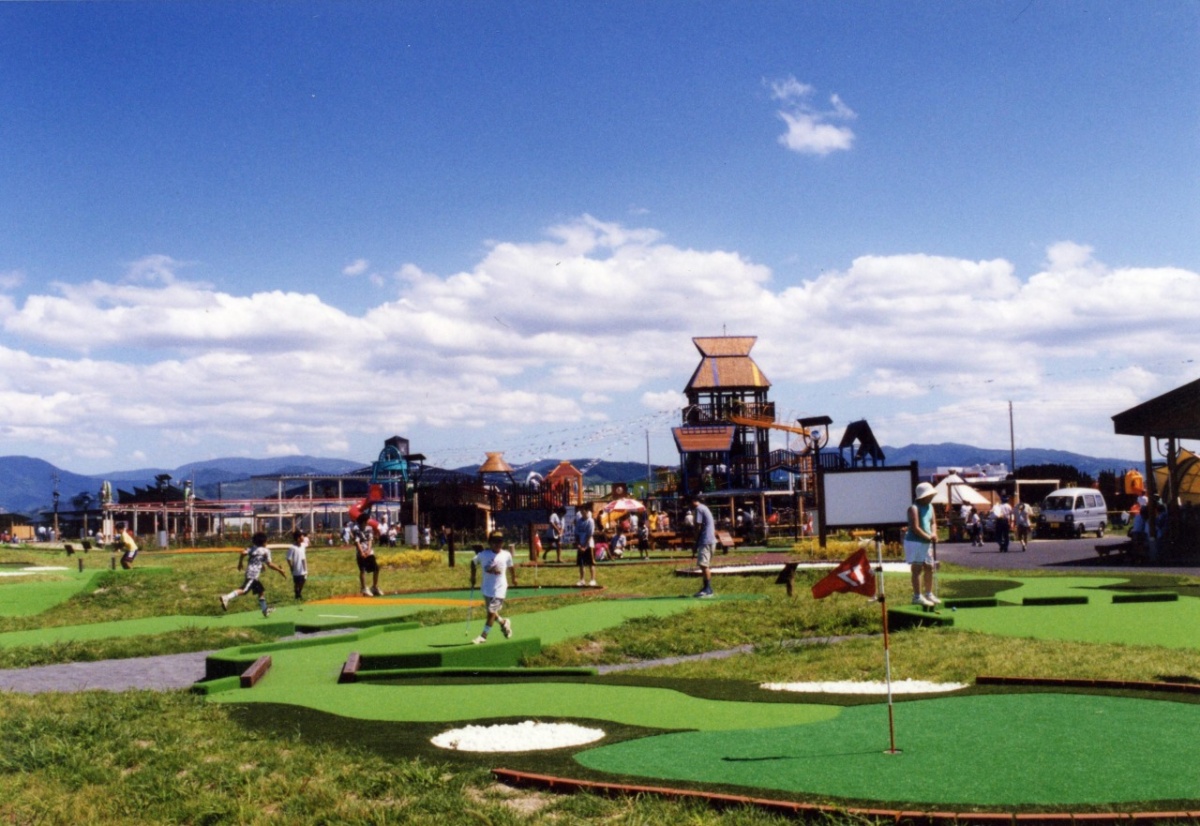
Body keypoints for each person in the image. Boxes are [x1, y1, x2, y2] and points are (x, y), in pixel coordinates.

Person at [220, 531, 287, 616]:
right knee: (244, 590)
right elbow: (270, 564)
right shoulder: (266, 551)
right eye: (266, 541)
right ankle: (227, 597)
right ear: (264, 542)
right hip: (253, 575)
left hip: (249, 572)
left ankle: (264, 610)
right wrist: (280, 570)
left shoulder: (252, 548)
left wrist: (240, 563)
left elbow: (243, 553)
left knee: (260, 591)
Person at [470, 530, 518, 644]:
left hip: (500, 588)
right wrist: (473, 577)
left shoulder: (506, 555)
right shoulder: (484, 555)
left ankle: (483, 636)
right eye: (494, 542)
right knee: (492, 612)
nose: (497, 544)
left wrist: (514, 578)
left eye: (500, 542)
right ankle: (503, 623)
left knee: (491, 612)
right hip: (487, 588)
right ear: (490, 543)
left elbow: (511, 567)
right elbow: (473, 562)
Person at [904, 482, 940, 607]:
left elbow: (933, 522)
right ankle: (917, 596)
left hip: (926, 541)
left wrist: (934, 533)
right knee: (917, 569)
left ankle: (929, 593)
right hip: (914, 542)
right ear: (922, 496)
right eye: (929, 495)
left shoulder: (930, 506)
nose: (931, 497)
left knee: (929, 567)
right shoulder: (913, 508)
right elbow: (915, 527)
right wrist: (928, 537)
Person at [691, 494, 716, 598]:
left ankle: (708, 589)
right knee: (704, 565)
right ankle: (706, 587)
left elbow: (697, 526)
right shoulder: (704, 507)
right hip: (710, 540)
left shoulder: (698, 509)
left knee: (704, 565)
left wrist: (695, 542)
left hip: (705, 540)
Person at [353, 518, 382, 597]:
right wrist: (361, 552)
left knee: (376, 568)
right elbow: (357, 541)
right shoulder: (356, 530)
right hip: (361, 553)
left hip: (369, 552)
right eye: (365, 522)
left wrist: (369, 550)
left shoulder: (369, 529)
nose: (367, 523)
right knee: (363, 570)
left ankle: (374, 586)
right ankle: (364, 588)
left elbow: (370, 540)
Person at [575, 505, 597, 587]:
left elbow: (589, 535)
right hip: (580, 545)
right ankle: (582, 580)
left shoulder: (590, 521)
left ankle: (593, 579)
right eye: (581, 511)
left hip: (589, 545)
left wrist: (584, 546)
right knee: (581, 563)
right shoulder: (579, 521)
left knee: (591, 563)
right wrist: (579, 545)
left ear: (587, 511)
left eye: (583, 511)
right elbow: (576, 534)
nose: (581, 512)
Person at [285, 529, 309, 599]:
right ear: (298, 538)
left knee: (303, 580)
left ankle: (299, 592)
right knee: (297, 582)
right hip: (296, 567)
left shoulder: (303, 545)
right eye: (302, 536)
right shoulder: (292, 547)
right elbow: (288, 558)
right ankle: (297, 593)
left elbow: (307, 544)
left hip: (304, 566)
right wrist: (291, 567)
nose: (303, 537)